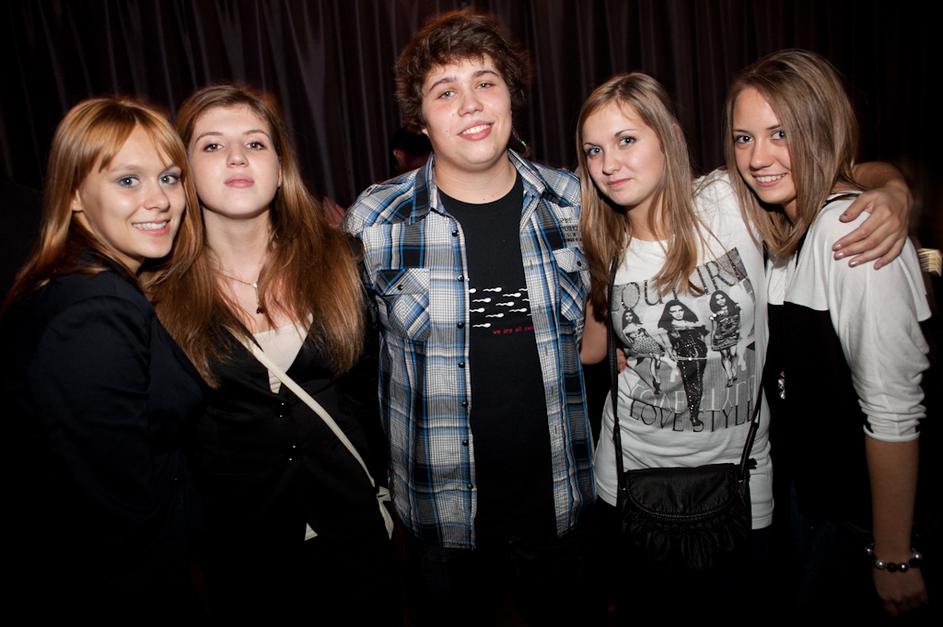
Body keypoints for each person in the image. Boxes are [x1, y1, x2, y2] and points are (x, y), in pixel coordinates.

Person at [577, 72, 912, 620]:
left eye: (627, 140)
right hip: (630, 480)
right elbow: (591, 351)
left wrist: (893, 191)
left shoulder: (729, 201)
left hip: (741, 479)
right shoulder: (603, 238)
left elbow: (836, 172)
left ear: (669, 137)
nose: (609, 163)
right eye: (594, 150)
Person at [344, 9, 595, 626]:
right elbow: (343, 356)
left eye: (485, 82)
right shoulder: (377, 220)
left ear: (511, 95)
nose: (471, 104)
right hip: (440, 517)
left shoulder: (575, 202)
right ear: (421, 119)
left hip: (560, 504)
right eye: (445, 91)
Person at [152, 84, 396, 622]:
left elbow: (370, 392)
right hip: (243, 552)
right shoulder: (159, 293)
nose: (237, 157)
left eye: (255, 143)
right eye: (212, 145)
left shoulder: (343, 261)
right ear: (182, 170)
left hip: (356, 534)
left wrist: (382, 491)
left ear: (280, 167)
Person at [726, 49, 931, 617]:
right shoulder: (788, 230)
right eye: (744, 138)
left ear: (821, 130)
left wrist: (893, 556)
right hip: (810, 501)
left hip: (858, 522)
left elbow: (893, 413)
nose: (758, 158)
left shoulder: (850, 235)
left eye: (781, 133)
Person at [1, 97, 204, 619]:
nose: (160, 200)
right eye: (127, 181)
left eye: (169, 178)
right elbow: (117, 516)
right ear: (73, 193)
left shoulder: (86, 282)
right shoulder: (94, 310)